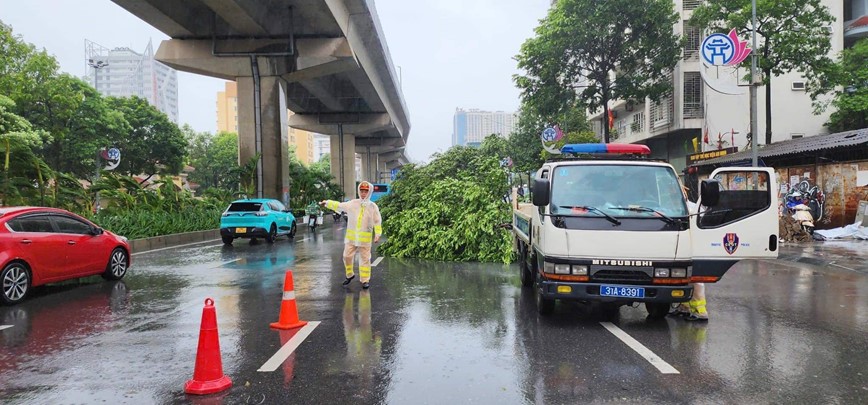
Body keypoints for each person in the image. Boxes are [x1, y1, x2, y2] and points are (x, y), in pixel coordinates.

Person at [321, 181, 383, 289]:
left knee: (365, 259)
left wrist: (377, 234)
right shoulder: (353, 203)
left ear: (369, 192)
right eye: (362, 191)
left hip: (365, 239)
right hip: (351, 239)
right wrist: (327, 203)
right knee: (347, 256)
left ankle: (365, 280)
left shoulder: (373, 207)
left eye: (366, 191)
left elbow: (377, 221)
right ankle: (350, 275)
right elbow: (339, 205)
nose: (363, 193)